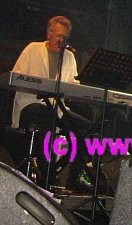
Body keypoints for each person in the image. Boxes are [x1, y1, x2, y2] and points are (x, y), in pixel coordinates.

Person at [10, 15, 93, 191]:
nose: (62, 40)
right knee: (47, 117)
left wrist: (75, 88)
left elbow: (72, 84)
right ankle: (47, 173)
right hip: (31, 104)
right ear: (49, 34)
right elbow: (16, 76)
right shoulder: (33, 49)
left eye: (65, 37)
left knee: (88, 130)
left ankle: (73, 176)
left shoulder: (69, 56)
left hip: (58, 109)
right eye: (59, 36)